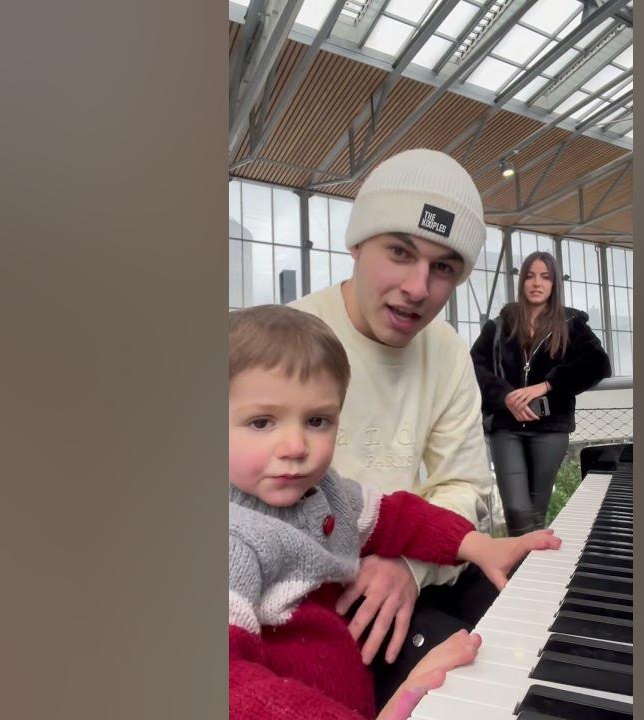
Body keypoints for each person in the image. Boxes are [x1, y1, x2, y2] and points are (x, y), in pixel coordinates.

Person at [227, 305, 561, 720]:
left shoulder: (326, 492)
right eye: (262, 423)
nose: (296, 446)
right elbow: (232, 685)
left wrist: (478, 546)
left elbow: (398, 517)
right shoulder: (233, 540)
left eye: (317, 420)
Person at [289, 149, 499, 701]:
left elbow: (465, 486)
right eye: (400, 253)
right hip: (326, 600)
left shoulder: (448, 354)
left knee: (531, 627)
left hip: (424, 562)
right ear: (357, 244)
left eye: (443, 268)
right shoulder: (289, 343)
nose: (417, 287)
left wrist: (407, 566)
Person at [470, 250, 612, 536]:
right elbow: (473, 366)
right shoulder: (499, 326)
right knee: (516, 511)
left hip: (550, 429)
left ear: (554, 284)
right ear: (522, 282)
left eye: (545, 277)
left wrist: (549, 383)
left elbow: (599, 363)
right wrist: (505, 395)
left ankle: (526, 573)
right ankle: (522, 569)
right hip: (506, 428)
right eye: (531, 276)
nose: (537, 283)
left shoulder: (571, 325)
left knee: (536, 511)